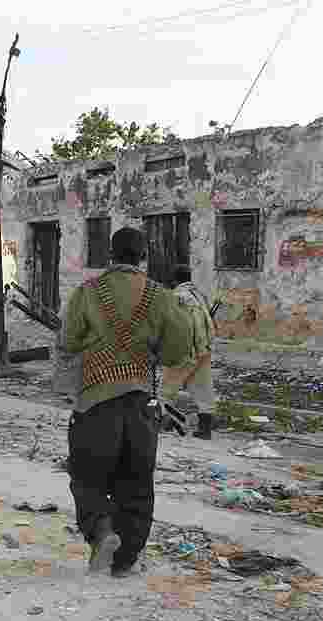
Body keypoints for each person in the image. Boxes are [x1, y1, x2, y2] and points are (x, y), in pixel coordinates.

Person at [62, 227, 193, 577]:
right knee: (136, 485)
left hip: (95, 402)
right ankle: (125, 561)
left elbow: (69, 340)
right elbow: (177, 352)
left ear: (111, 255)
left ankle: (101, 530)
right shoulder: (161, 296)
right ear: (143, 257)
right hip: (140, 403)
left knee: (87, 478)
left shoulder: (87, 292)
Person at [161, 264, 217, 439]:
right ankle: (205, 430)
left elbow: (174, 327)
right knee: (203, 390)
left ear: (174, 280)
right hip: (204, 348)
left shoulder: (177, 297)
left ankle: (166, 423)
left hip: (185, 351)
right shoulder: (200, 295)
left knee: (166, 390)